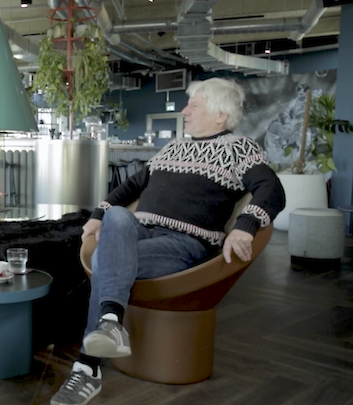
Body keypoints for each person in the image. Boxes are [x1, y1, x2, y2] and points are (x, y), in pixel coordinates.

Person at [50, 78, 285, 405]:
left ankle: (87, 367)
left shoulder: (239, 148)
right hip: (139, 232)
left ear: (220, 115)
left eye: (194, 106)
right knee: (117, 217)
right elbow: (132, 186)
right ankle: (110, 324)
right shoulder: (173, 147)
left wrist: (245, 226)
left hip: (184, 245)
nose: (185, 111)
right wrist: (98, 214)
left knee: (106, 261)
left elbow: (271, 189)